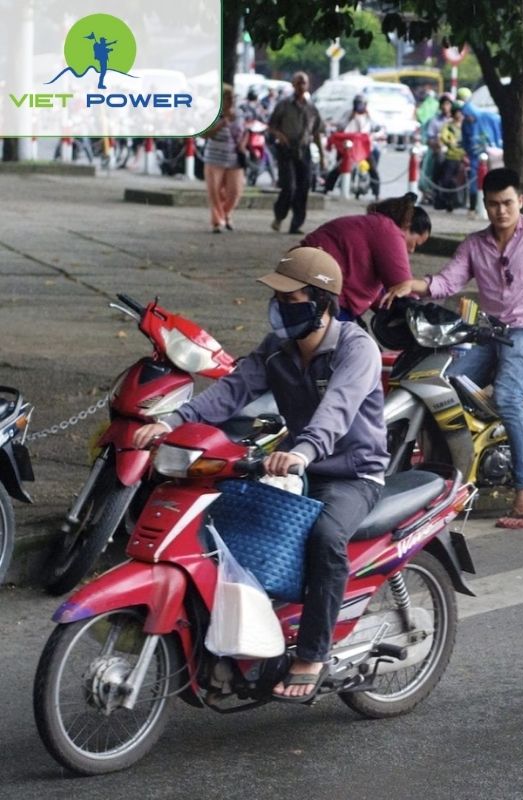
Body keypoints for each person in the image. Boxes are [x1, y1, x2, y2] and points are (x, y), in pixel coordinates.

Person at [131, 248, 388, 700]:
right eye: (278, 298)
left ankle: (313, 653)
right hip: (294, 468)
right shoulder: (277, 350)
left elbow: (338, 410)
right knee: (223, 523)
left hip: (352, 474)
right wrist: (172, 423)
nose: (280, 308)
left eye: (292, 300)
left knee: (326, 538)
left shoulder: (356, 348)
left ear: (323, 304)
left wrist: (304, 450)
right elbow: (230, 392)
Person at [380, 169, 523, 529]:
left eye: (507, 203)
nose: (501, 211)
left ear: (520, 201)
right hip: (491, 336)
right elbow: (448, 281)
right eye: (493, 205)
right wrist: (410, 284)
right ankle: (447, 477)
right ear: (485, 206)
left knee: (506, 396)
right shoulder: (475, 244)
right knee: (442, 385)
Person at [300, 194, 432, 323]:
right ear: (407, 227)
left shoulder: (371, 223)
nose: (412, 250)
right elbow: (402, 286)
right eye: (415, 243)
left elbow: (380, 294)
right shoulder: (388, 230)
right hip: (320, 298)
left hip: (303, 282)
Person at [268, 71, 326, 235]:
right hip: (286, 149)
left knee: (304, 186)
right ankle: (279, 215)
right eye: (298, 83)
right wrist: (280, 135)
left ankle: (296, 224)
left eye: (304, 83)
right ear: (293, 85)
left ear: (308, 85)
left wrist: (322, 157)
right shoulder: (284, 105)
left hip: (304, 149)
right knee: (289, 187)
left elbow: (316, 133)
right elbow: (272, 126)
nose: (301, 86)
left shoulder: (312, 108)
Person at [200, 84, 246, 234]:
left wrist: (242, 145)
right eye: (227, 98)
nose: (231, 101)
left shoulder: (239, 114)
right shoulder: (211, 113)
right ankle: (217, 220)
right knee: (215, 191)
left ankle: (226, 213)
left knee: (235, 191)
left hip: (234, 158)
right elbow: (203, 134)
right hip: (214, 158)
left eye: (233, 98)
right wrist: (220, 125)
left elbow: (246, 131)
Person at [323, 94, 384, 200]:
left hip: (364, 149)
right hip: (349, 149)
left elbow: (376, 128)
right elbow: (340, 127)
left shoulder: (369, 117)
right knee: (338, 168)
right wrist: (351, 117)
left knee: (373, 170)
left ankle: (376, 193)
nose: (359, 106)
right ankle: (327, 188)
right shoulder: (348, 115)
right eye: (357, 104)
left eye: (361, 104)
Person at [435, 103, 468, 211]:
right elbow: (444, 137)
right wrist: (450, 142)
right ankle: (447, 201)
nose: (460, 115)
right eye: (458, 112)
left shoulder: (467, 125)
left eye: (461, 112)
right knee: (447, 180)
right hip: (451, 157)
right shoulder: (449, 126)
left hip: (465, 158)